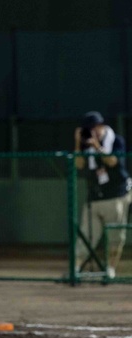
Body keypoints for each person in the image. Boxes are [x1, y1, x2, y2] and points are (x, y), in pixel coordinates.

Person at [74, 111, 130, 279]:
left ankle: (109, 269)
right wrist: (78, 143)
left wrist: (98, 146)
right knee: (86, 235)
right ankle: (75, 269)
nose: (92, 132)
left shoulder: (116, 140)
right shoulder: (85, 145)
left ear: (101, 126)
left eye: (94, 128)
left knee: (115, 236)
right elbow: (78, 164)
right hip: (95, 196)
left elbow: (112, 161)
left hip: (116, 196)